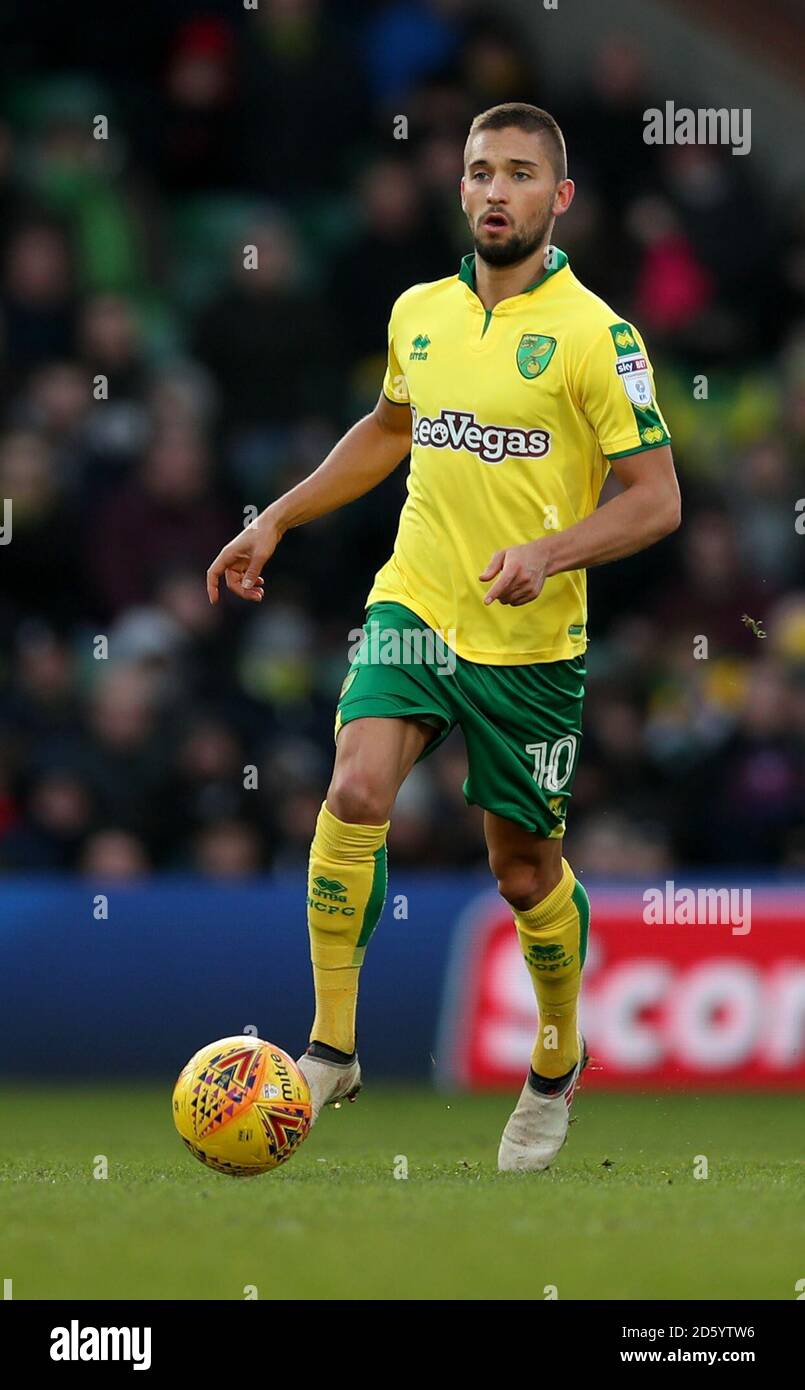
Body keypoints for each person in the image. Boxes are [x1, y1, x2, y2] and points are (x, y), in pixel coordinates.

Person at [206, 103, 681, 1172]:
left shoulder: (598, 337)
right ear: (460, 189)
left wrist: (551, 552)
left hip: (529, 646)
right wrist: (276, 515)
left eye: (520, 173)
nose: (496, 189)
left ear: (557, 200)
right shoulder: (419, 311)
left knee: (522, 876)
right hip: (417, 606)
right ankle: (330, 1047)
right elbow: (388, 428)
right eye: (480, 171)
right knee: (355, 791)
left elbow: (656, 502)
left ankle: (555, 1061)